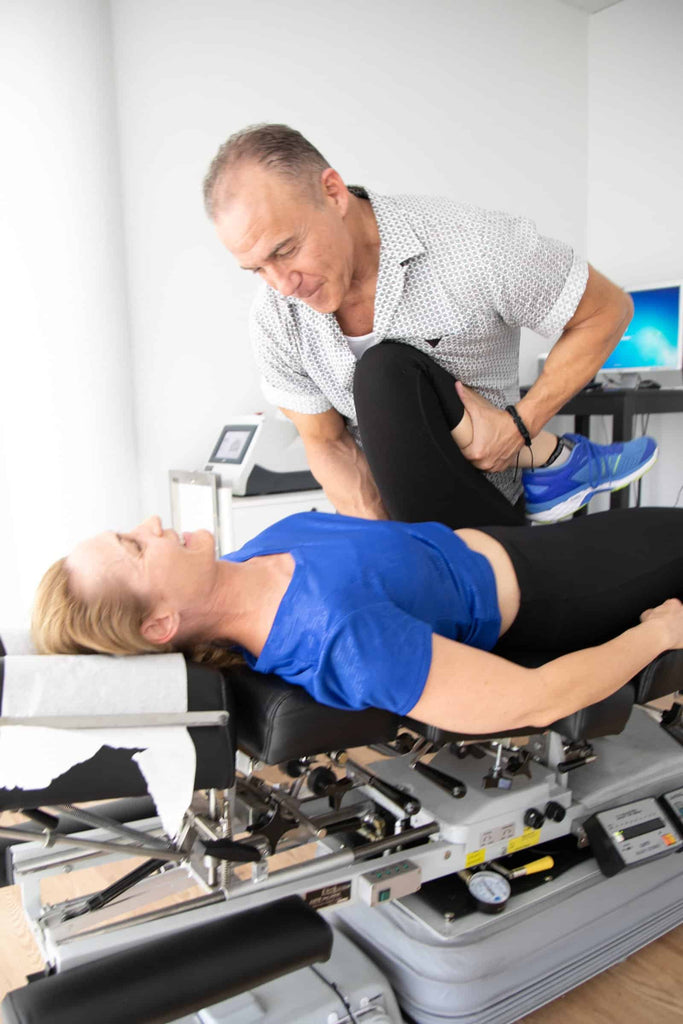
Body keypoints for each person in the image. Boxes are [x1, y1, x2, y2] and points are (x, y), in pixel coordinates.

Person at [202, 123, 655, 526]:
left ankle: (552, 459)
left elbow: (607, 310)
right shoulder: (275, 317)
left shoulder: (472, 246)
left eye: (285, 250)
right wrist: (390, 546)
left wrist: (522, 424)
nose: (282, 285)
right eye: (257, 269)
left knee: (383, 371)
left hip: (486, 503)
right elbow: (326, 443)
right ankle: (555, 459)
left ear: (333, 193)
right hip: (391, 515)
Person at [33, 506, 683, 735]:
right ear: (159, 625)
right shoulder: (337, 636)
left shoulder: (251, 556)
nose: (151, 524)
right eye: (135, 547)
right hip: (564, 590)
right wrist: (656, 635)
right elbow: (537, 699)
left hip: (521, 542)